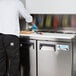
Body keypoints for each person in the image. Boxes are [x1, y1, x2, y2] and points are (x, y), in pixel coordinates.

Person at [0, 0, 33, 76]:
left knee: (1, 61)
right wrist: (31, 20)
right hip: (11, 36)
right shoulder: (16, 2)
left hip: (0, 35)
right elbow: (27, 16)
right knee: (14, 61)